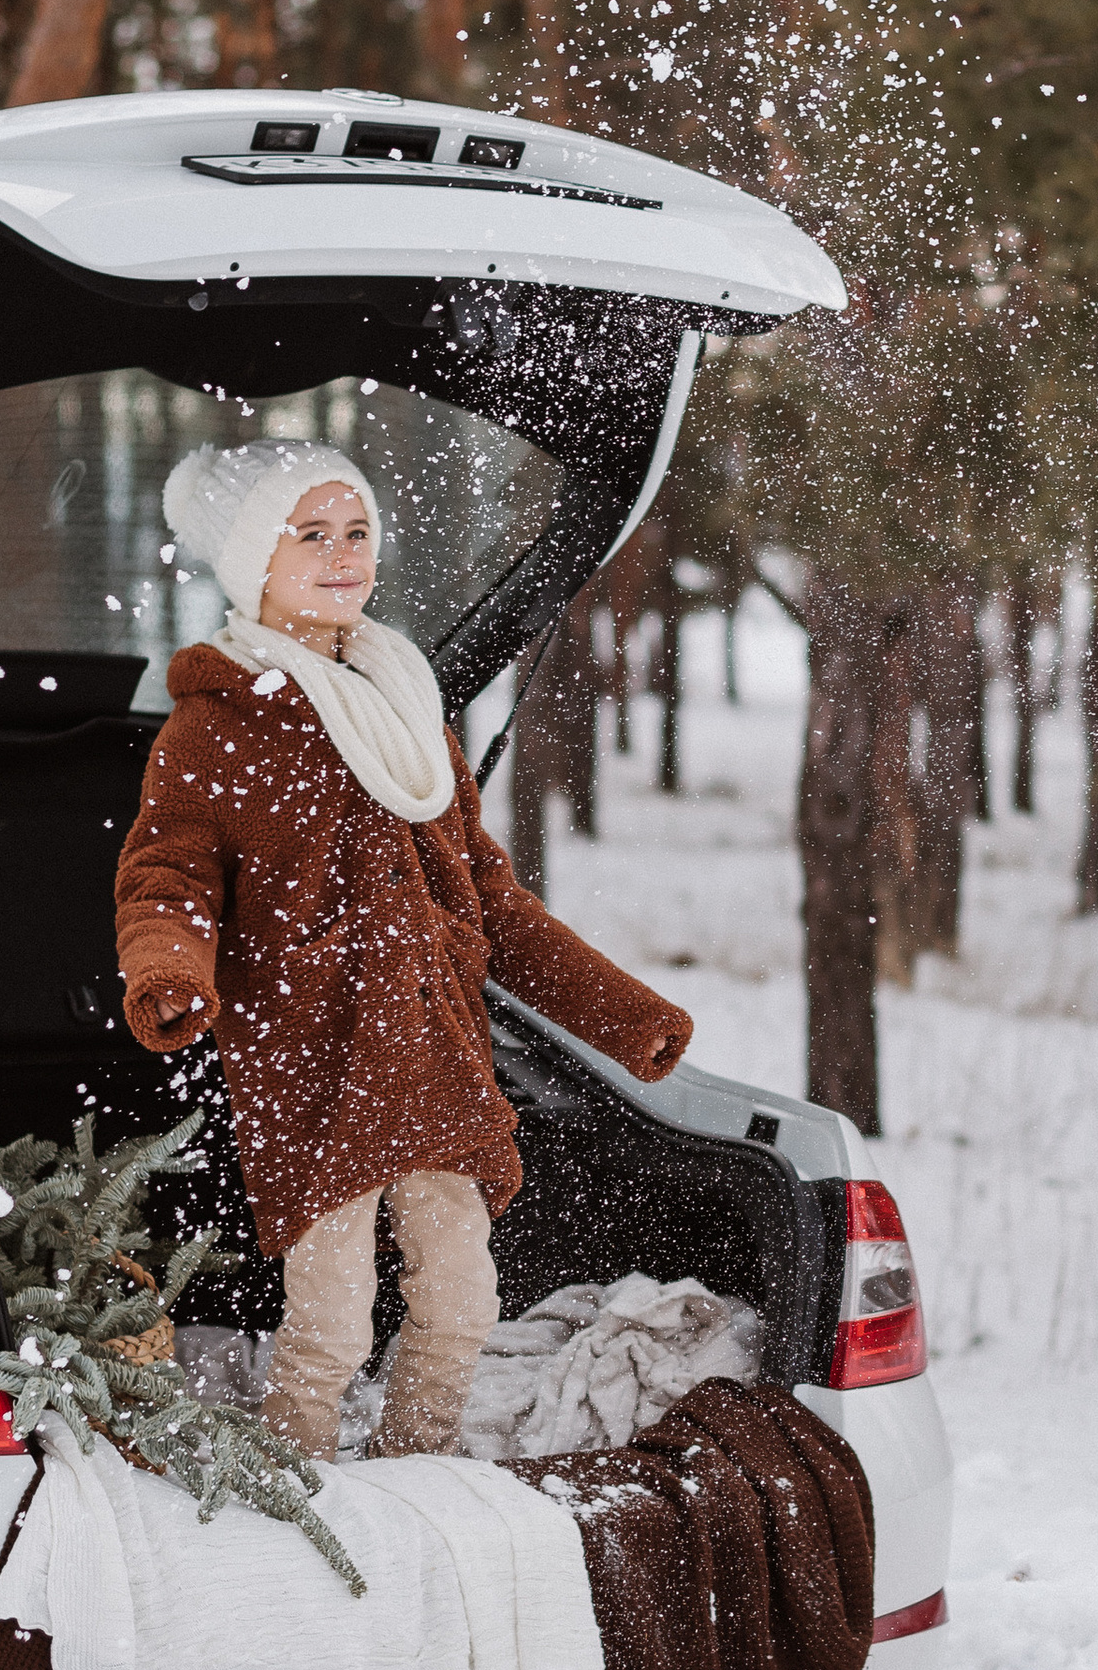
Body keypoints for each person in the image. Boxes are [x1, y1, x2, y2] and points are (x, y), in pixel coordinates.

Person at [114, 439, 692, 1463]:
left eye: (359, 533)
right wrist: (168, 970)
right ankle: (294, 1481)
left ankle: (415, 1473)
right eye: (312, 536)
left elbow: (489, 903)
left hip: (434, 1064)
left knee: (462, 1304)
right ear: (255, 560)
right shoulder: (214, 731)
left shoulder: (407, 708)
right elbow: (168, 880)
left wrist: (626, 1014)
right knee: (331, 1323)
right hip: (321, 1068)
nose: (344, 556)